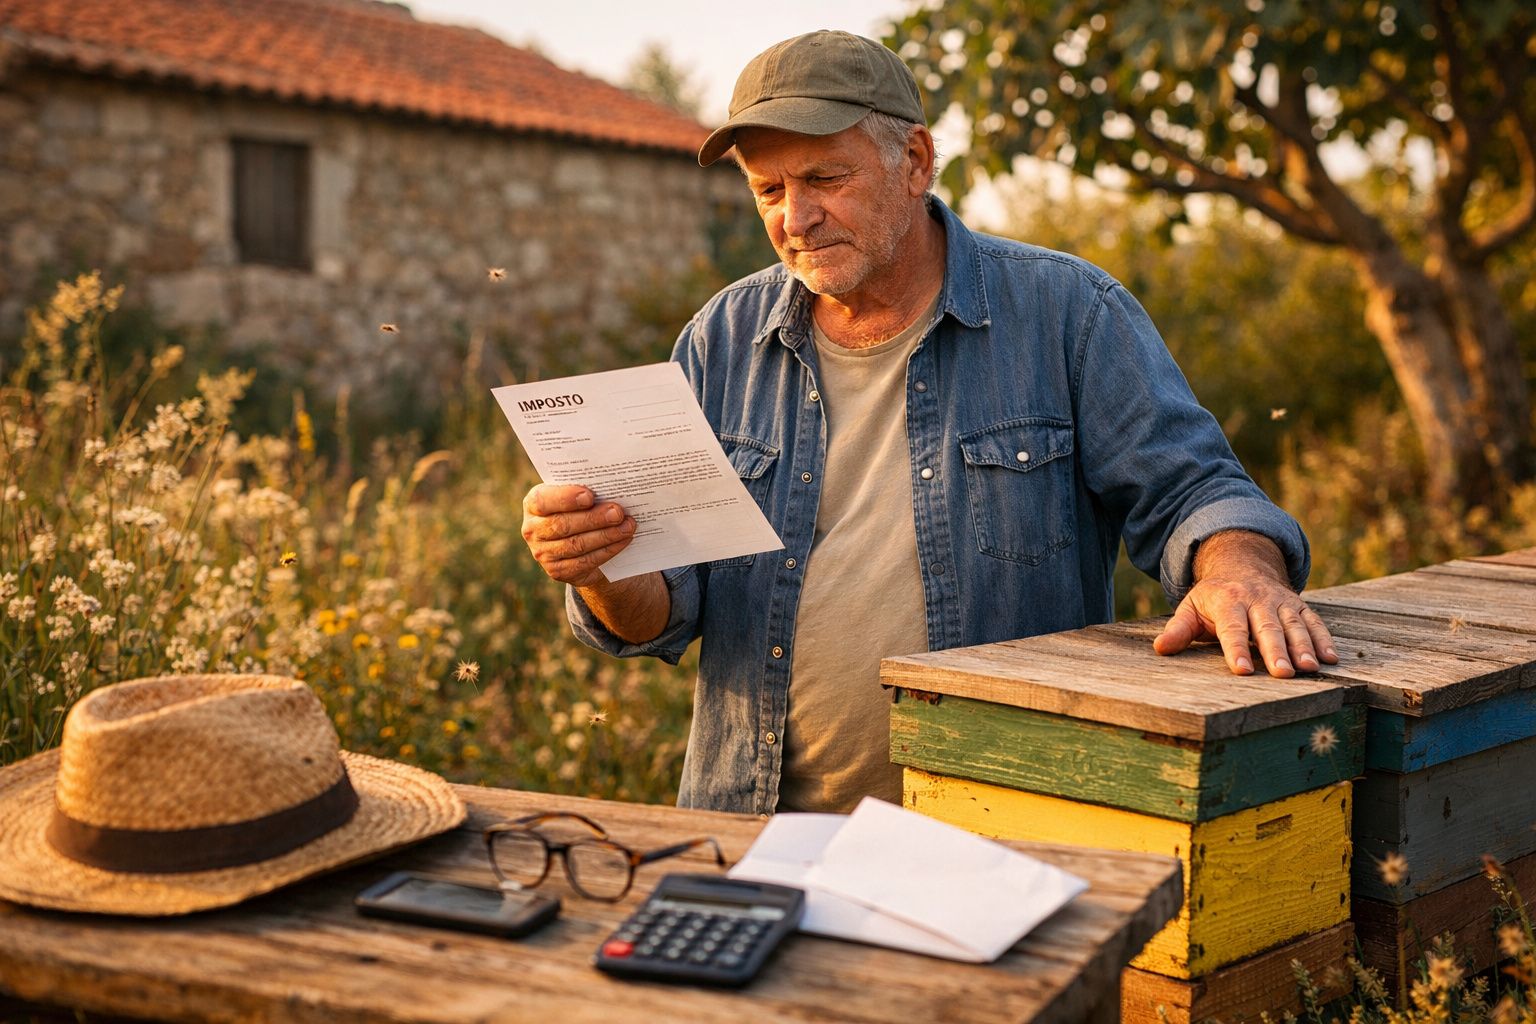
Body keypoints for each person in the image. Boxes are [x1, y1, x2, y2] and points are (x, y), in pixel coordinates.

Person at [519, 30, 1338, 816]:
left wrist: (1240, 573)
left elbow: (1193, 490)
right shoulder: (720, 340)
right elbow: (664, 613)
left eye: (824, 178)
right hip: (760, 827)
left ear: (914, 161)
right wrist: (599, 565)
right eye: (769, 190)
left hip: (1002, 818)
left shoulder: (1068, 311)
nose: (794, 218)